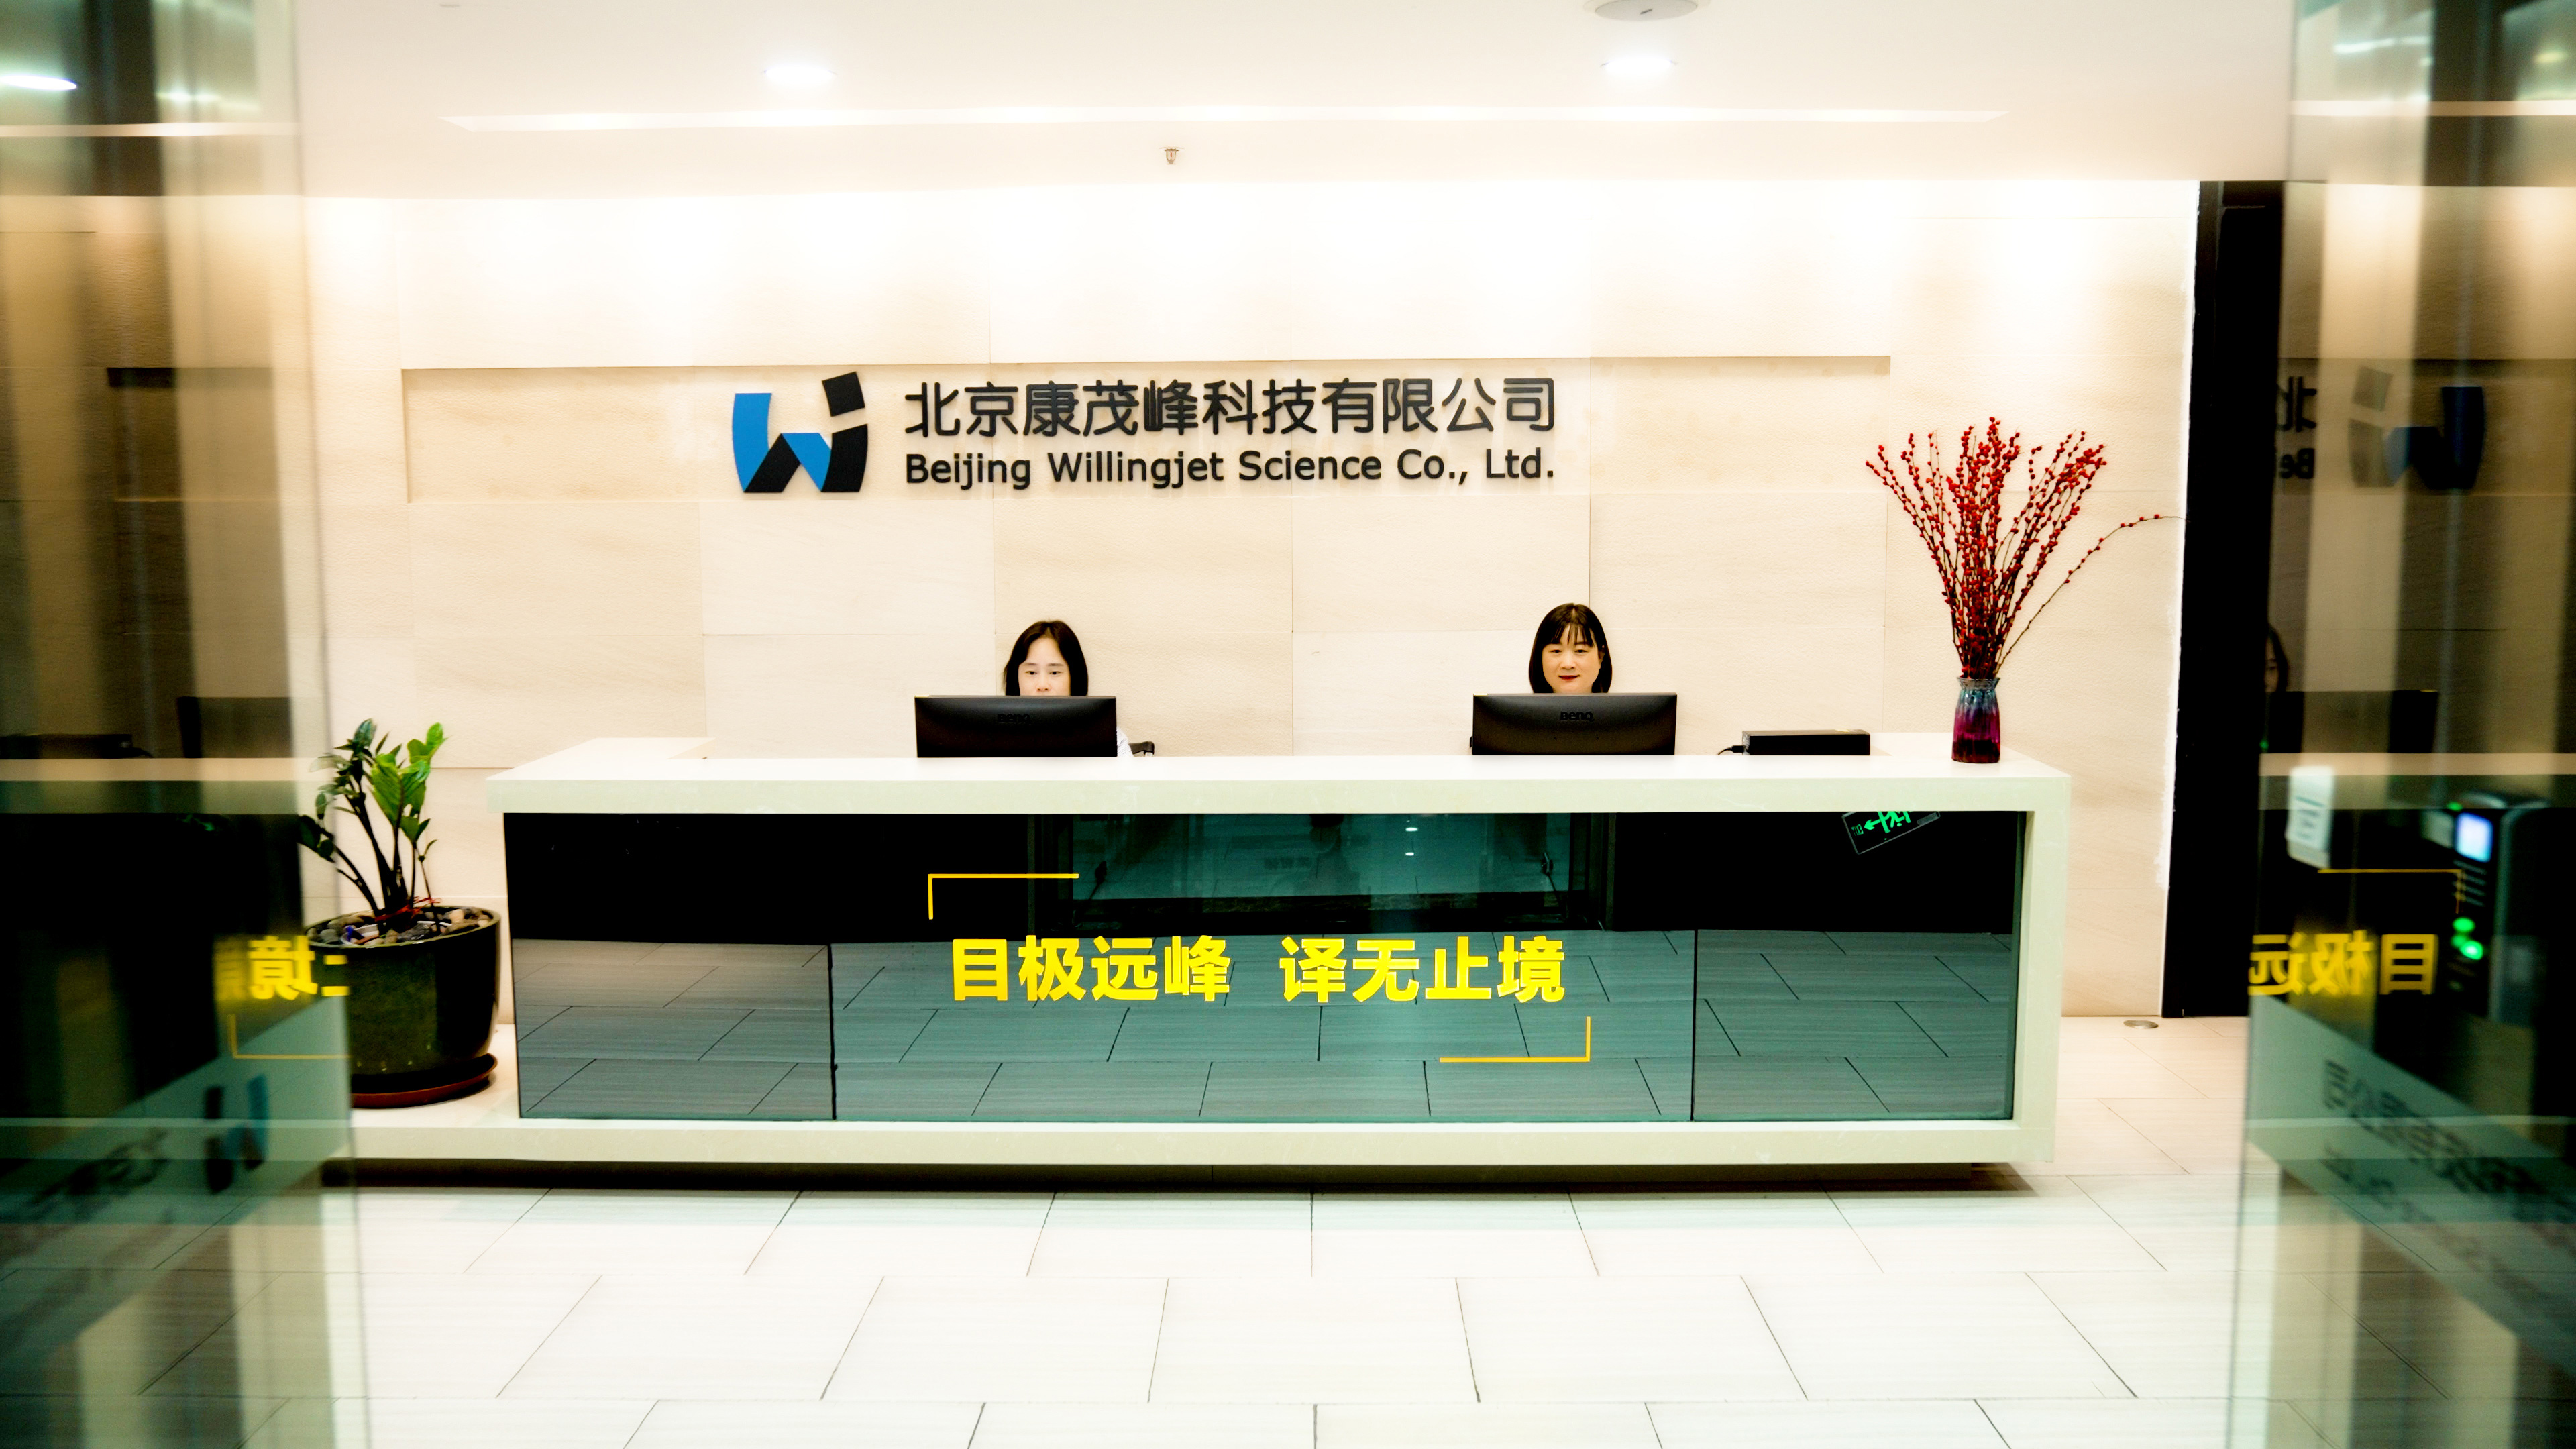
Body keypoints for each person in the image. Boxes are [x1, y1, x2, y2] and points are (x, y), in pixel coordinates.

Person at [1004, 619, 1134, 755]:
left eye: (1054, 672)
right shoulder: (997, 736)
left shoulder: (1110, 738)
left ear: (1075, 677)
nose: (1043, 685)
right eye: (1031, 672)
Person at [1527, 602, 1613, 694]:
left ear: (1600, 656)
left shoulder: (1622, 705)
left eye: (1580, 651)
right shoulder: (1519, 705)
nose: (1568, 665)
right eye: (1556, 651)